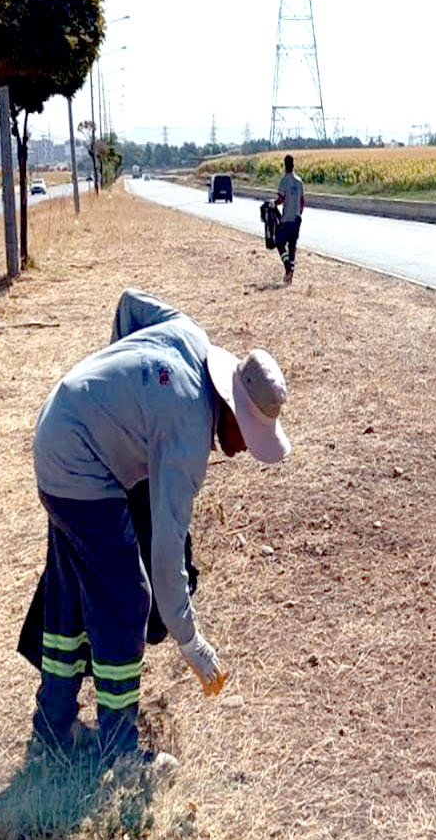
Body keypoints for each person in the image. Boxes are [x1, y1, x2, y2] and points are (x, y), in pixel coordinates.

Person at [26, 288, 291, 767]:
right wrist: (191, 641)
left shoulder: (189, 334)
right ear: (230, 410)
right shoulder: (188, 431)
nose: (238, 451)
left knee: (71, 590)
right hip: (81, 465)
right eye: (244, 438)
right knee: (127, 599)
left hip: (58, 425)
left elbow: (128, 304)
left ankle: (53, 724)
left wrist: (117, 396)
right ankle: (119, 752)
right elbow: (167, 558)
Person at [273, 154, 305, 285]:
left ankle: (287, 267)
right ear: (293, 165)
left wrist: (272, 204)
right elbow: (303, 201)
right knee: (292, 247)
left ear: (285, 165)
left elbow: (281, 199)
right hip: (296, 220)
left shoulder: (283, 181)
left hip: (286, 219)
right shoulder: (299, 182)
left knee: (279, 243)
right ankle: (290, 273)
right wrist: (298, 214)